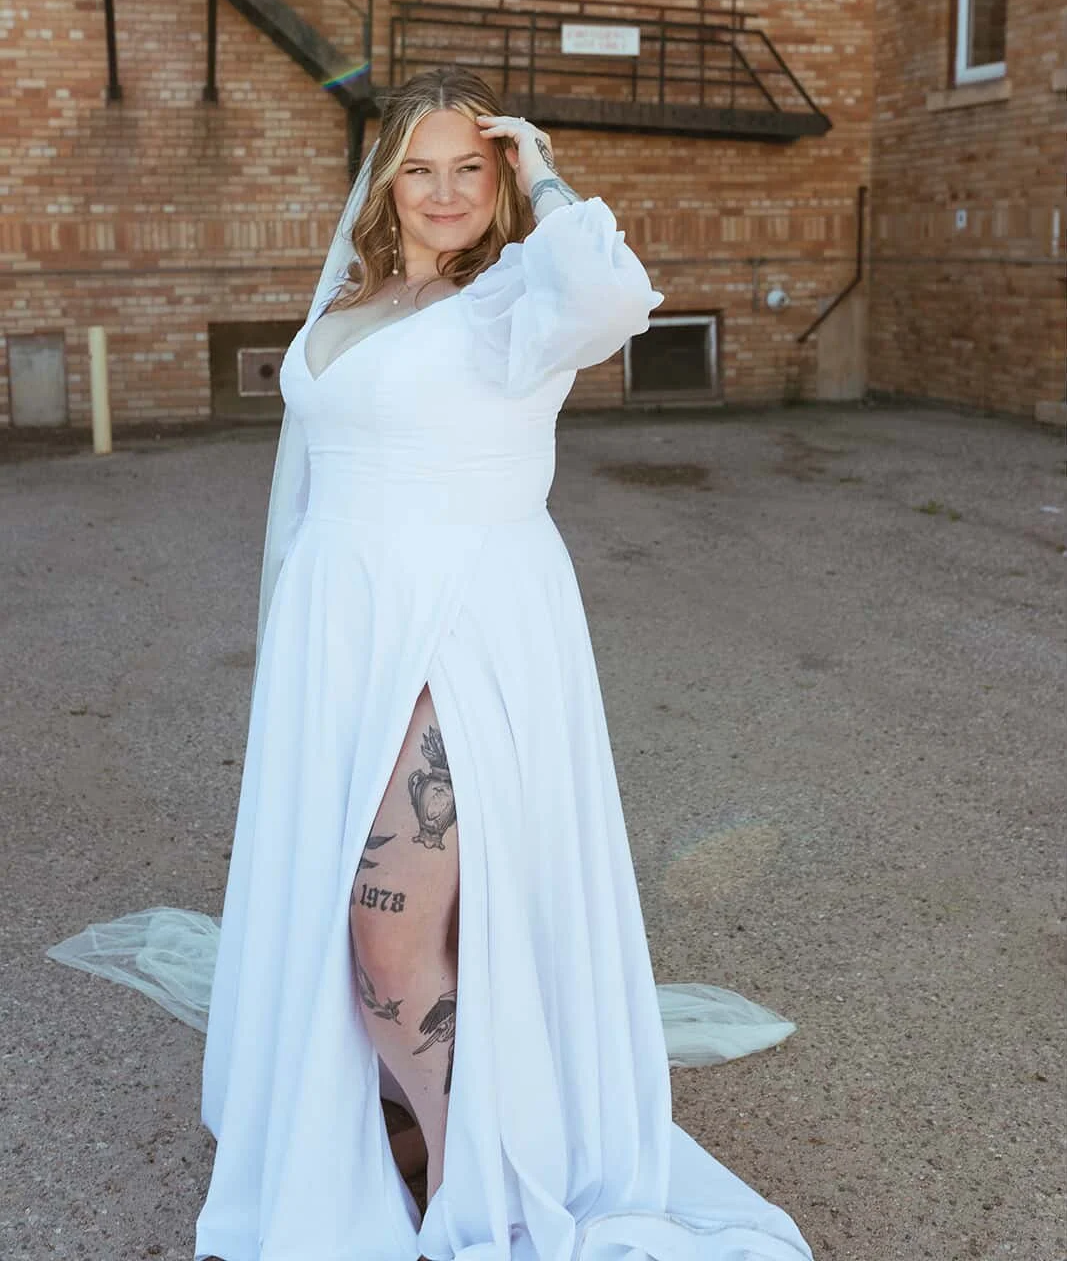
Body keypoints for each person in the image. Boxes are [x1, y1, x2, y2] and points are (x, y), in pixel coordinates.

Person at [47, 64, 814, 1261]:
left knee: (386, 931)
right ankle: (405, 1122)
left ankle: (479, 1176)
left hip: (467, 633)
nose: (445, 191)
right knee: (395, 926)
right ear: (384, 180)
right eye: (421, 166)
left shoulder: (515, 298)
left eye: (473, 166)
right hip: (341, 641)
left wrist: (547, 168)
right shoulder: (351, 300)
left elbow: (614, 295)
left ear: (499, 177)